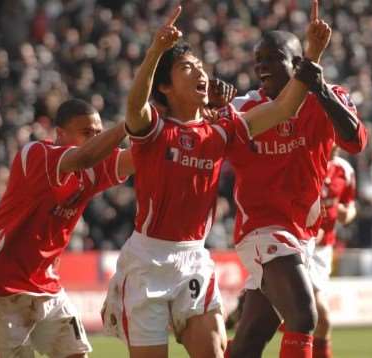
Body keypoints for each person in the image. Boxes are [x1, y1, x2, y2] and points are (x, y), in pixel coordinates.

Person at [101, 4, 330, 358]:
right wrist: (154, 52)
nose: (201, 73)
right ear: (165, 85)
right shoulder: (154, 131)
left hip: (194, 259)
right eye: (187, 68)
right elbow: (135, 106)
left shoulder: (221, 130)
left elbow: (284, 108)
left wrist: (312, 53)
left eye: (201, 67)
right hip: (147, 262)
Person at [226, 1, 367, 357]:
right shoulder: (245, 107)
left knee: (250, 339)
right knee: (303, 317)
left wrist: (318, 88)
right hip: (262, 227)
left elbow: (355, 141)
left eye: (271, 57)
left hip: (301, 232)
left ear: (296, 62)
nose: (261, 65)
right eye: (258, 58)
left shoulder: (328, 97)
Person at [0, 98, 134, 358]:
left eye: (99, 133)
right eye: (87, 133)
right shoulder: (36, 155)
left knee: (76, 353)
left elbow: (135, 160)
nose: (96, 139)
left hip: (46, 286)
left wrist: (166, 124)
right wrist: (129, 124)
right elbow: (85, 156)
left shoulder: (93, 168)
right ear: (60, 134)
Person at [309, 146, 357, 358]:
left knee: (321, 321)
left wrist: (346, 214)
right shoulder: (306, 158)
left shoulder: (344, 170)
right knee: (319, 316)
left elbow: (350, 206)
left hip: (322, 251)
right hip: (297, 245)